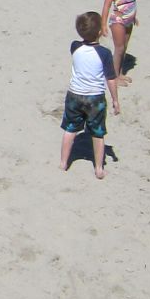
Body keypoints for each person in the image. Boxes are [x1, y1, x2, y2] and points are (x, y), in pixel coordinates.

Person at [59, 10, 121, 180]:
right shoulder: (105, 53)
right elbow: (111, 79)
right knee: (98, 133)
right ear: (100, 31)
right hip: (95, 98)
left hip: (74, 95)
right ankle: (99, 168)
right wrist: (115, 100)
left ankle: (64, 162)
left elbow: (82, 44)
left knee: (70, 129)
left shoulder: (75, 46)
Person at [100, 0, 139, 86]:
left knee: (125, 47)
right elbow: (106, 6)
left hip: (129, 20)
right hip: (118, 20)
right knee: (119, 48)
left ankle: (120, 72)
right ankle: (114, 76)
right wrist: (103, 24)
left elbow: (131, 2)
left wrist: (134, 17)